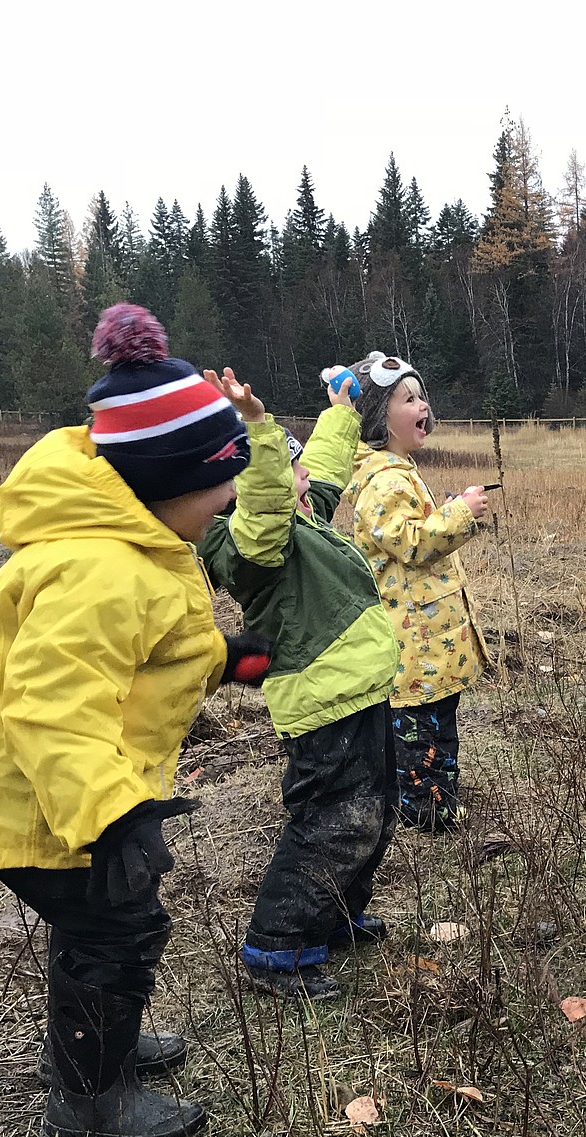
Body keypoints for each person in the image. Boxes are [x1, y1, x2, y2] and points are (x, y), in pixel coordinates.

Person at [0, 304, 271, 1137]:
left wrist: (222, 660)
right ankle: (90, 1098)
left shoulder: (137, 543)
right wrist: (113, 812)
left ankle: (101, 1047)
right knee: (114, 926)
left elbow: (140, 657)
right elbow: (51, 705)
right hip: (45, 797)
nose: (233, 497)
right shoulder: (100, 567)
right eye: (222, 482)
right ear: (169, 479)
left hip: (69, 789)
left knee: (111, 919)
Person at [198, 370, 400, 1000]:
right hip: (323, 701)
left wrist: (340, 412)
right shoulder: (245, 542)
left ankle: (334, 916)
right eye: (289, 470)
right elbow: (264, 507)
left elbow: (321, 466)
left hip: (359, 690)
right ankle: (275, 946)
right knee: (334, 822)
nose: (305, 476)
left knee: (376, 814)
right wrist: (256, 427)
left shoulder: (299, 512)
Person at [343, 353, 491, 831]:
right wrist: (461, 513)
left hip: (428, 638)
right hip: (417, 642)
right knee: (424, 731)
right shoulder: (385, 478)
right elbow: (413, 542)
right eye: (408, 399)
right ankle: (429, 814)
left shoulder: (397, 469)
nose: (423, 405)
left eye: (422, 395)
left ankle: (427, 801)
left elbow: (408, 533)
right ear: (377, 415)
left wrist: (443, 511)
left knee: (432, 724)